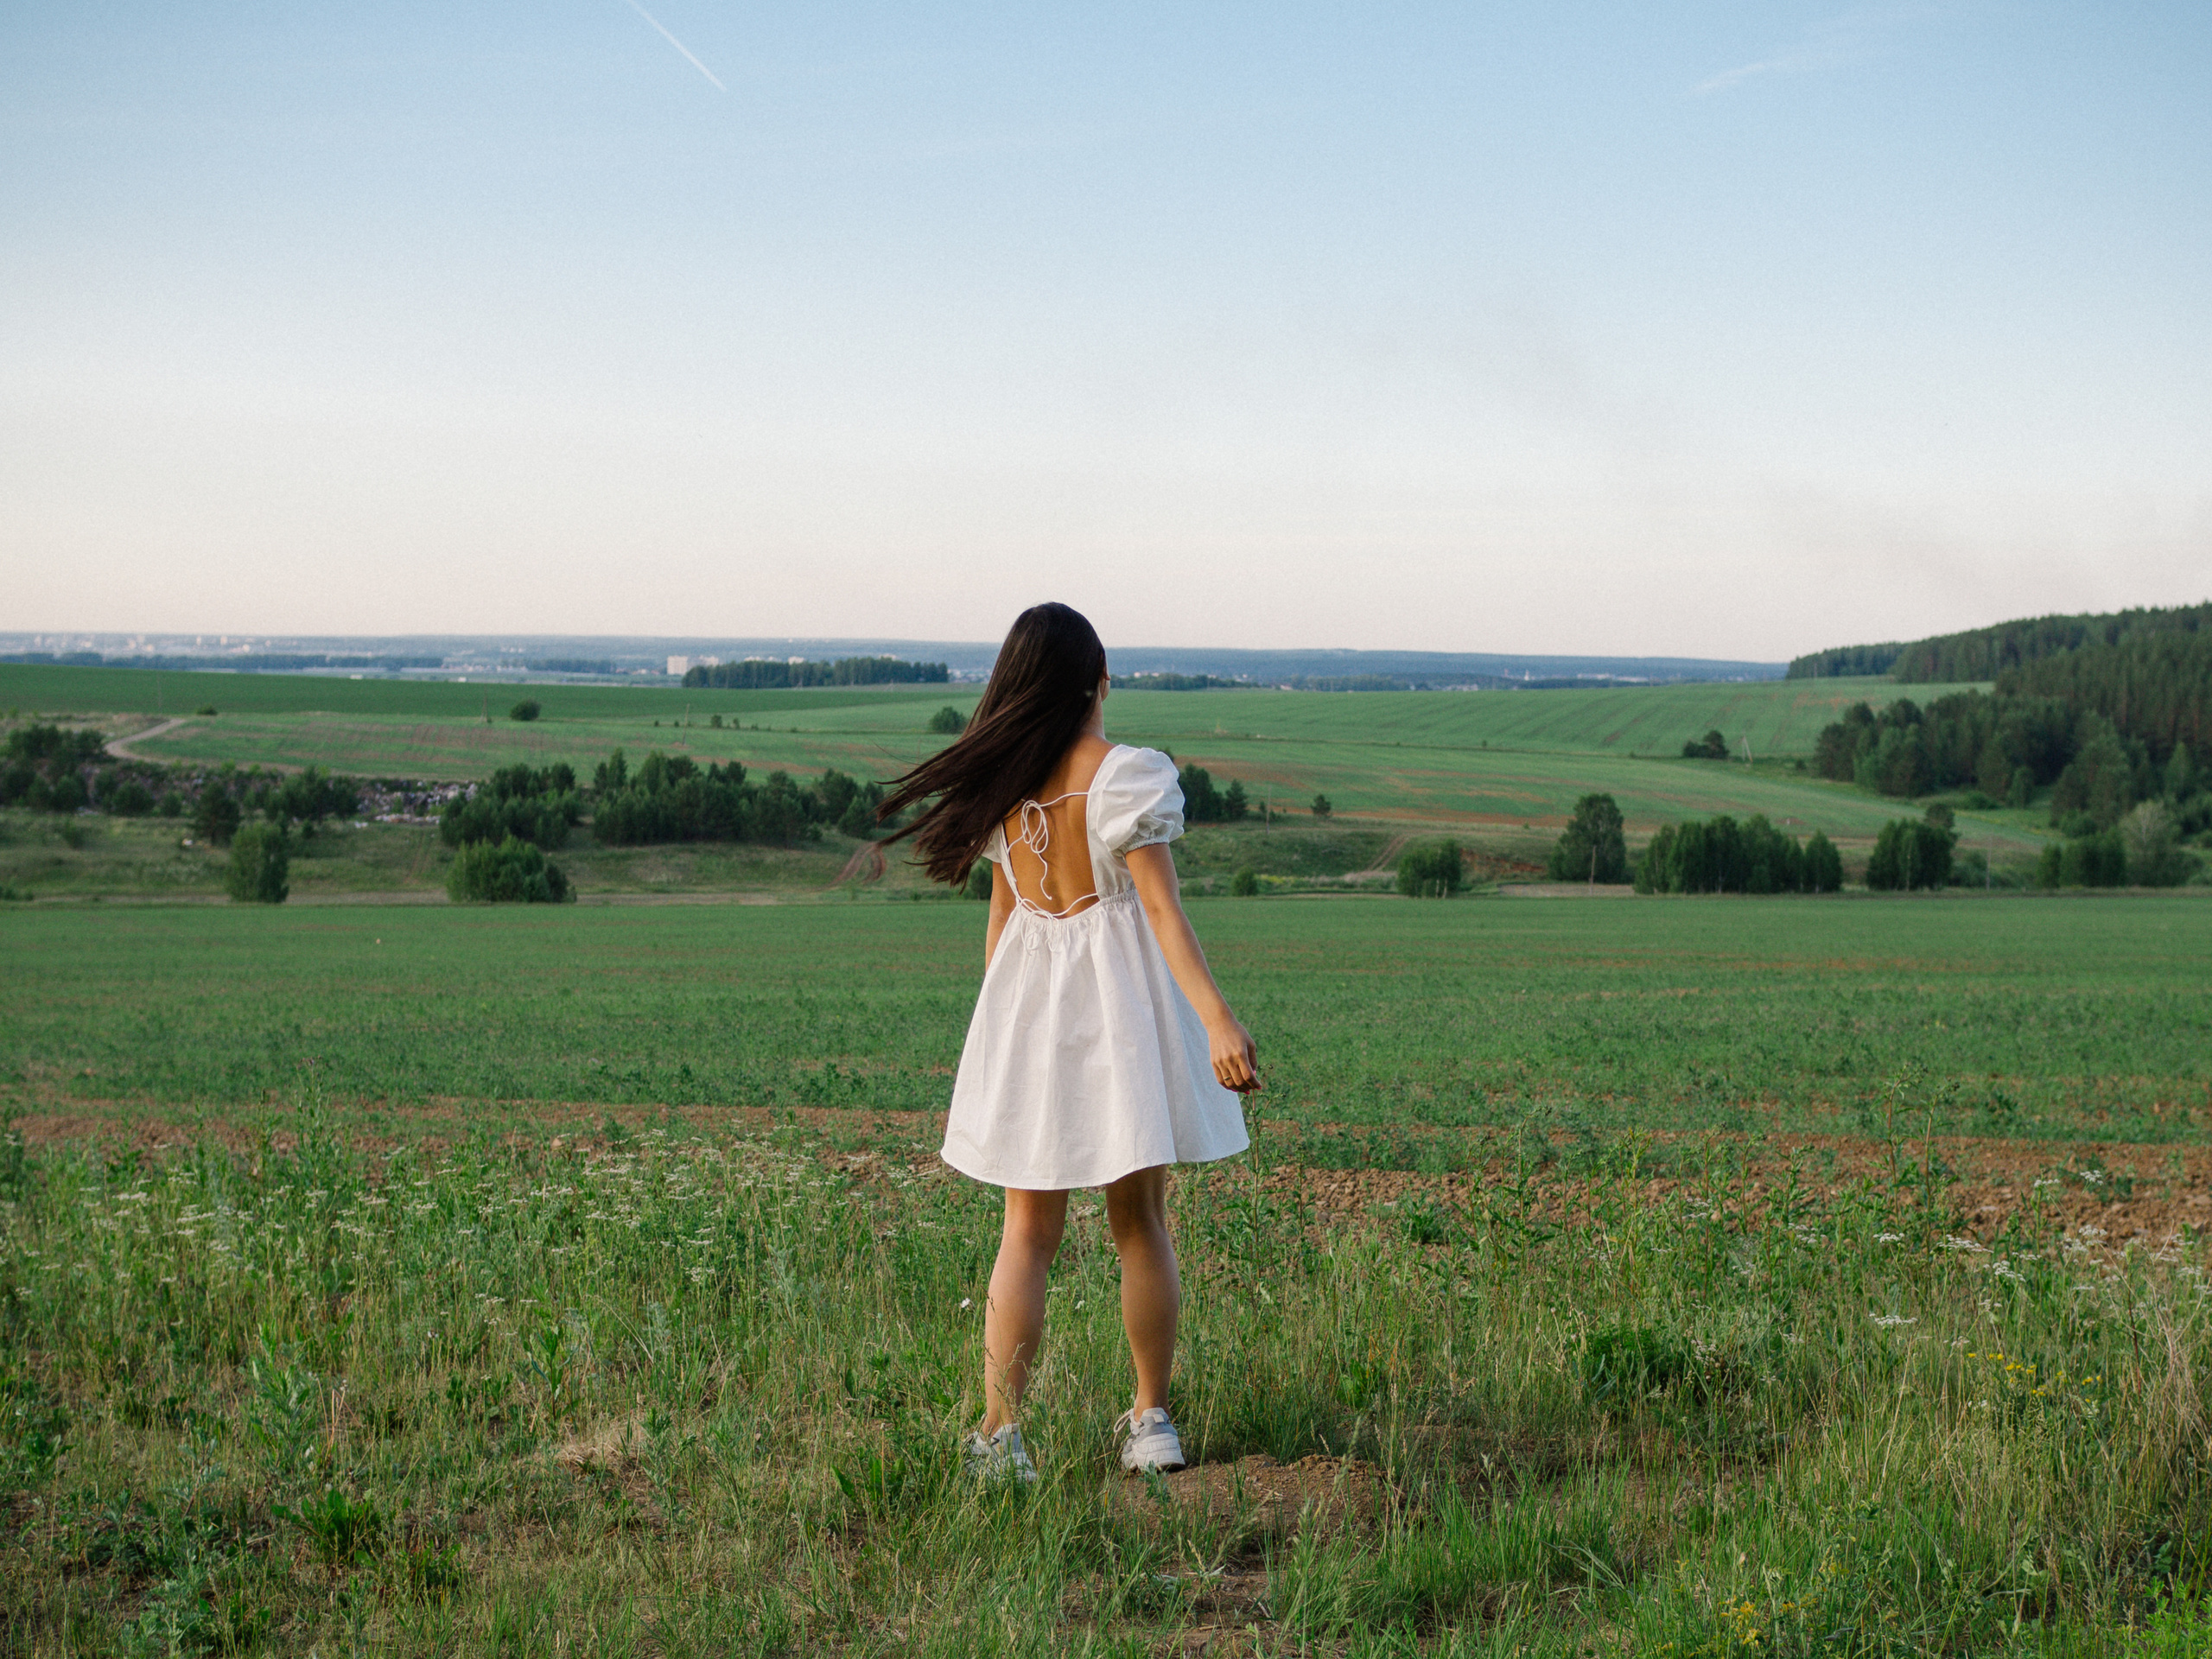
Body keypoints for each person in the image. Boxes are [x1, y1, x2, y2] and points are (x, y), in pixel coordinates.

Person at [880, 602, 1259, 1483]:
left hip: (1030, 1013)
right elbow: (1161, 912)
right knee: (1139, 1222)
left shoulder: (1004, 784)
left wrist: (994, 1036)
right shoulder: (1123, 775)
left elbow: (1004, 915)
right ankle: (1149, 1417)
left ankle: (998, 1435)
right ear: (1098, 682)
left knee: (1027, 1232)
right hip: (1120, 1012)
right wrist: (1216, 1021)